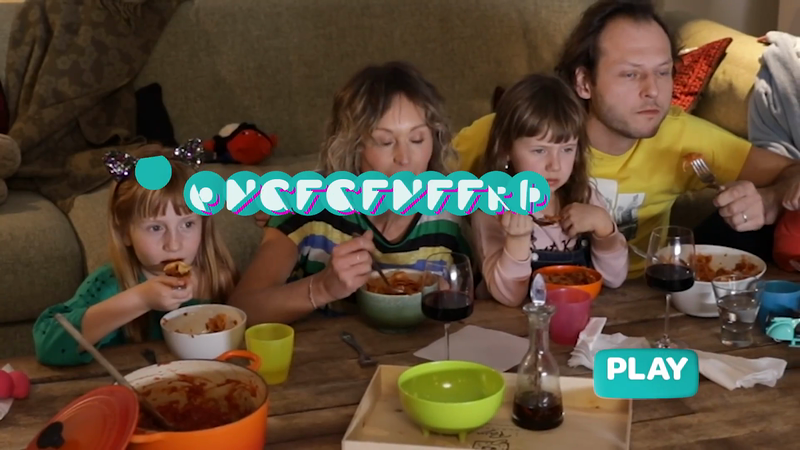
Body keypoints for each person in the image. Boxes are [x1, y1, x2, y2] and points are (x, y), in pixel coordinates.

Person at [452, 0, 800, 278]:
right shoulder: (516, 131)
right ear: (584, 82)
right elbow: (423, 185)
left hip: (638, 301)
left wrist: (770, 199)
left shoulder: (684, 137)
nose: (653, 91)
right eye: (631, 74)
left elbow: (792, 172)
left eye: (663, 72)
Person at [230, 61, 473, 325]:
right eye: (385, 141)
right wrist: (323, 287)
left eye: (417, 139)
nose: (404, 158)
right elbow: (242, 309)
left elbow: (482, 297)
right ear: (354, 146)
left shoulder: (451, 211)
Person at [33, 149, 237, 366]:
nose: (173, 244)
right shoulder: (110, 282)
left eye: (187, 224)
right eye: (156, 227)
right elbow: (49, 345)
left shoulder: (219, 276)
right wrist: (140, 299)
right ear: (124, 233)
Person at [472, 74, 627, 306]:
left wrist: (604, 228)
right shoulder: (491, 207)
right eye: (539, 151)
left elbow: (614, 279)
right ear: (505, 149)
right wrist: (517, 240)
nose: (555, 165)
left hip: (576, 320)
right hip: (517, 325)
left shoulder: (585, 196)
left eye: (567, 149)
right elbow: (510, 297)